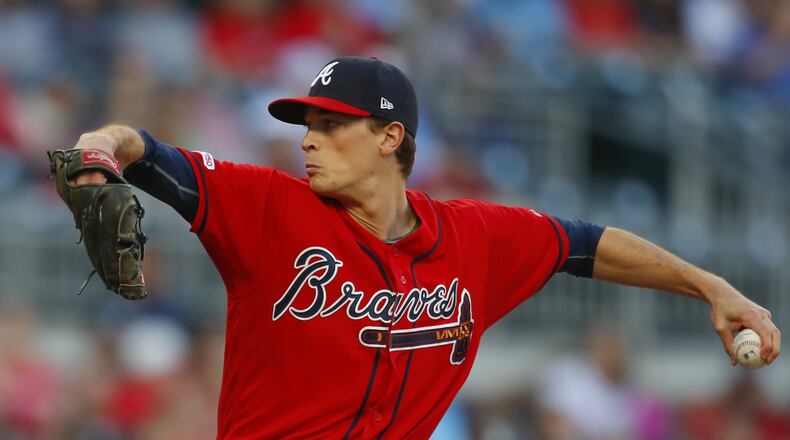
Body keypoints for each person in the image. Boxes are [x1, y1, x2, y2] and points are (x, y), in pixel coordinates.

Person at [64, 57, 781, 439]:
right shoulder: (267, 207)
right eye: (305, 122)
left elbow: (586, 245)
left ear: (389, 138)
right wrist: (100, 147)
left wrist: (713, 286)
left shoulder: (476, 237)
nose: (307, 138)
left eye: (331, 124)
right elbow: (144, 149)